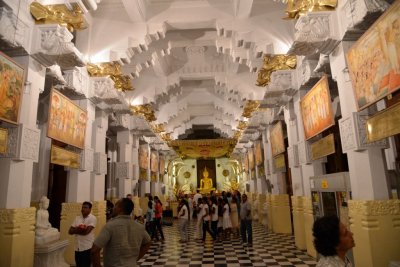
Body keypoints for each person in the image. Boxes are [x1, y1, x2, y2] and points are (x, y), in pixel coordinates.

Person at [91, 198, 151, 267]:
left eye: (115, 206)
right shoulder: (139, 227)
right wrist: (134, 259)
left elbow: (94, 250)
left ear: (120, 209)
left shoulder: (110, 226)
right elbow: (148, 242)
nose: (113, 208)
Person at [69, 202, 97, 267]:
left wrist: (75, 229)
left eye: (85, 207)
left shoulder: (92, 218)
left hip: (87, 247)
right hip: (77, 247)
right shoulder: (77, 218)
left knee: (86, 265)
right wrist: (79, 229)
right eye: (82, 207)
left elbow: (86, 232)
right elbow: (70, 231)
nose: (83, 209)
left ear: (90, 209)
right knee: (78, 265)